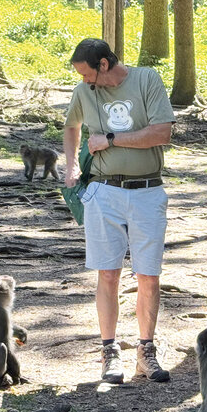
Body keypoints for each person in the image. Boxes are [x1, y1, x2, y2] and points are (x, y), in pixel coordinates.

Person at [63, 38, 175, 384]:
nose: (83, 81)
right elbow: (71, 127)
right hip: (103, 192)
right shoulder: (85, 92)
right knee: (108, 274)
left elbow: (162, 133)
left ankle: (146, 352)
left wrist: (110, 139)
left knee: (148, 276)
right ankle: (109, 353)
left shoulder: (146, 80)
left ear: (104, 65)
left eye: (87, 73)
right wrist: (70, 167)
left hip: (147, 191)